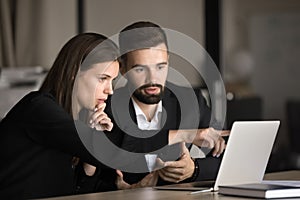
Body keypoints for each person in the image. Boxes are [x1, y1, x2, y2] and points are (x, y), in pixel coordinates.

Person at [104, 21, 229, 187]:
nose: (153, 79)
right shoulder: (105, 108)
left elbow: (228, 159)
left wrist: (194, 169)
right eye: (140, 69)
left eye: (160, 67)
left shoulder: (191, 101)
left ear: (168, 61)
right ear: (123, 68)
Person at [0, 33, 121, 199]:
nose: (110, 90)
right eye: (102, 79)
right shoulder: (38, 107)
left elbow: (80, 193)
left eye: (112, 81)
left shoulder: (80, 121)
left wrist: (90, 155)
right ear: (74, 73)